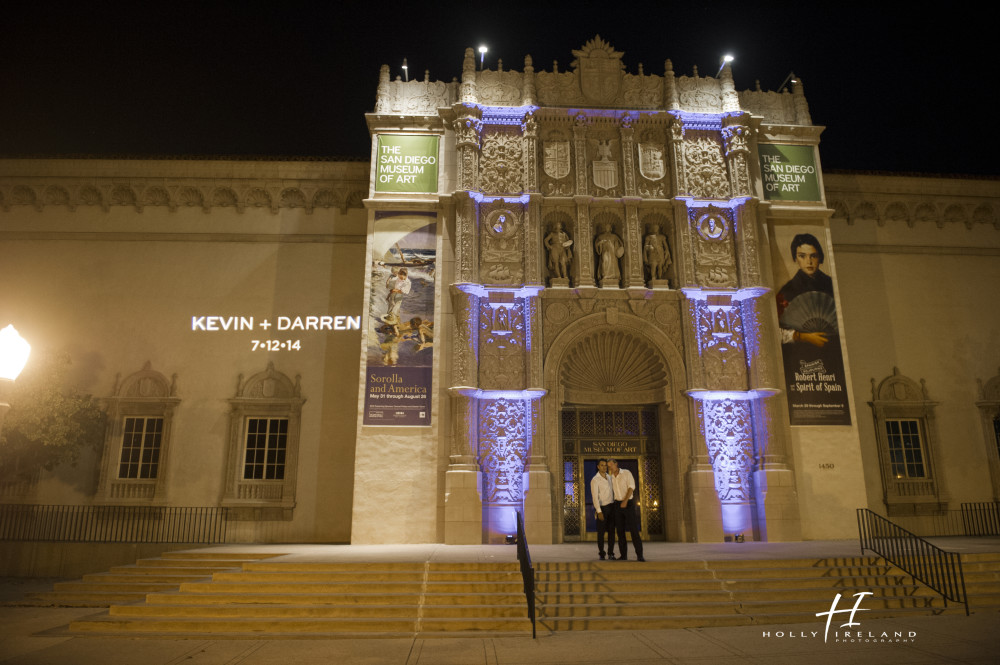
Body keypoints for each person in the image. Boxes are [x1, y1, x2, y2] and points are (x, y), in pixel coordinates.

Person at [777, 233, 833, 348]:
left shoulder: (831, 285)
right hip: (801, 352)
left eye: (813, 256)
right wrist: (802, 337)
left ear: (820, 257)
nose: (809, 261)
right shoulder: (787, 291)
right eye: (802, 256)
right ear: (795, 258)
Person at [608, 458, 644, 561]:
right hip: (617, 505)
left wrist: (625, 500)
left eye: (611, 465)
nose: (610, 468)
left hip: (628, 504)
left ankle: (640, 555)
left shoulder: (626, 473)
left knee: (633, 530)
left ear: (616, 464)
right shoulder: (611, 478)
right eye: (608, 466)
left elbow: (631, 487)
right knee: (620, 531)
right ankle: (623, 555)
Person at [589, 458, 617, 560]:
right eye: (602, 465)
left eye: (605, 465)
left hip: (612, 507)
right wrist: (599, 511)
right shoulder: (595, 480)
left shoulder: (610, 478)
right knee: (601, 533)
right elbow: (594, 497)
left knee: (611, 532)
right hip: (602, 508)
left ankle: (611, 553)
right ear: (598, 467)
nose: (604, 467)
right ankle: (601, 552)